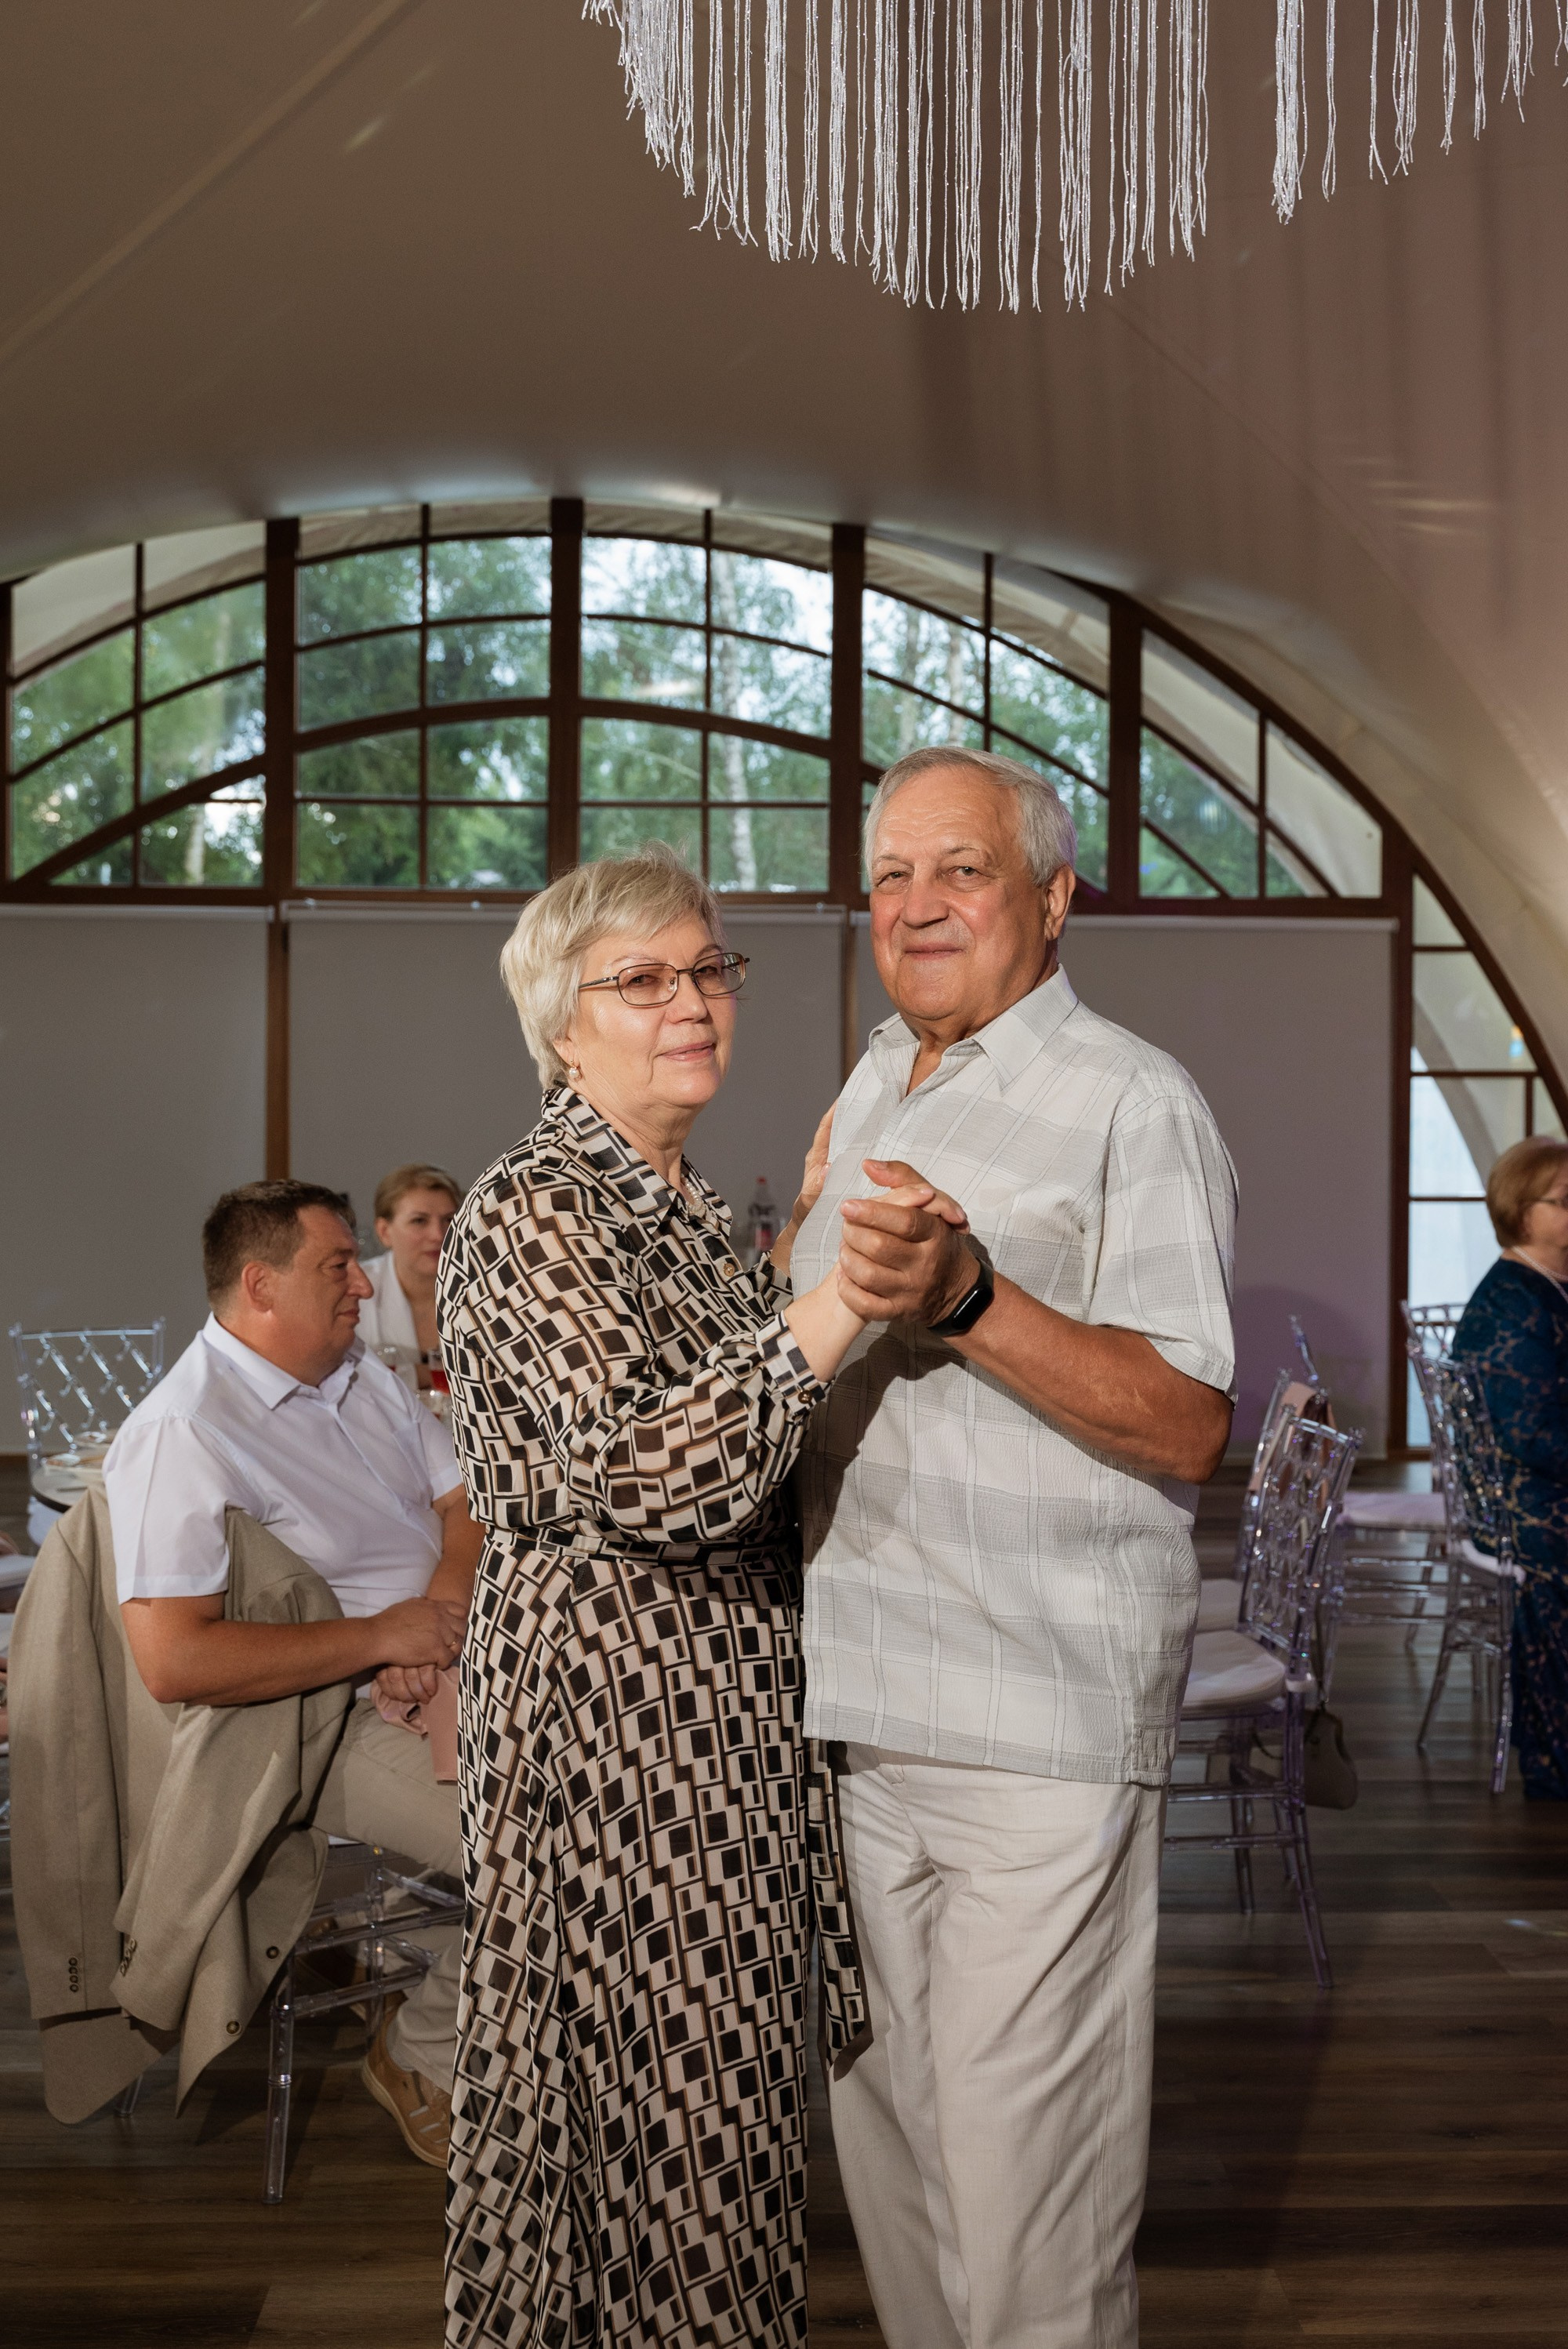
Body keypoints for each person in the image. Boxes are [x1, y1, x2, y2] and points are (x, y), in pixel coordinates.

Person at [439, 844, 931, 2349]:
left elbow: (722, 1394)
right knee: (658, 2142)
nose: (693, 1001)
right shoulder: (533, 1208)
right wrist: (840, 1295)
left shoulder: (682, 1205)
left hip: (718, 1721)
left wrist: (796, 1249)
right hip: (619, 1730)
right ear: (561, 1023)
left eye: (710, 969)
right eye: (643, 979)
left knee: (713, 2140)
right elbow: (657, 1476)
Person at [789, 746, 1238, 2349]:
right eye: (890, 875)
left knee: (1026, 2196)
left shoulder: (1134, 1101)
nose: (916, 905)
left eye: (960, 870)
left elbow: (1189, 1420)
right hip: (856, 1703)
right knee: (902, 2175)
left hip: (1033, 1721)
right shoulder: (873, 1081)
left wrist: (972, 1296)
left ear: (1052, 901)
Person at [106, 1179, 485, 2166]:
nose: (364, 1283)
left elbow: (465, 1503)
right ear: (260, 1285)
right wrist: (378, 1640)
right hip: (313, 1721)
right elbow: (175, 1659)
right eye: (337, 1265)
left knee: (625, 1798)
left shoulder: (356, 1373)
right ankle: (421, 2050)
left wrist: (434, 1624)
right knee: (549, 1850)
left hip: (442, 1665)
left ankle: (504, 2012)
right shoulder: (184, 1428)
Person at [1454, 1135, 1568, 1799]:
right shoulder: (1511, 1304)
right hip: (1521, 1504)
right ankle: (1554, 1756)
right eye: (1565, 1201)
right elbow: (1534, 1436)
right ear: (1523, 1213)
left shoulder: (1547, 1287)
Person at [358, 1161, 463, 1396]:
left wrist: (409, 1374)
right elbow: (345, 1376)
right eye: (419, 1221)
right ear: (384, 1232)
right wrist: (427, 1374)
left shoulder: (487, 1288)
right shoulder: (356, 1289)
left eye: (449, 1220)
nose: (438, 1235)